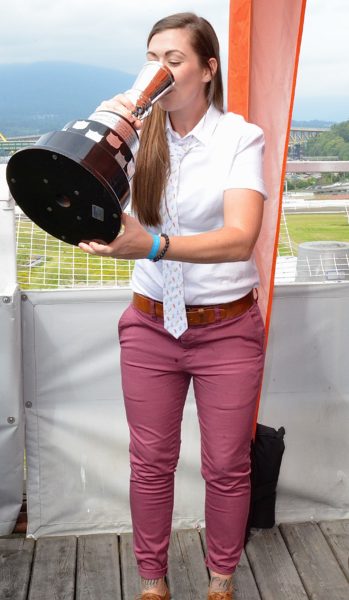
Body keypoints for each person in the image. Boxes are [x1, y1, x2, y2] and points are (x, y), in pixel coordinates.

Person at [79, 12, 267, 600]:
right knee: (152, 462)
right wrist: (108, 128)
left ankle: (221, 577)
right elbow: (82, 191)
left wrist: (152, 244)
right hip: (150, 326)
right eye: (152, 57)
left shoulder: (240, 137)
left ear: (208, 70)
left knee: (227, 465)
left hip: (228, 328)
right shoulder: (138, 140)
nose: (160, 71)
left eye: (175, 59)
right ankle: (152, 580)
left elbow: (240, 237)